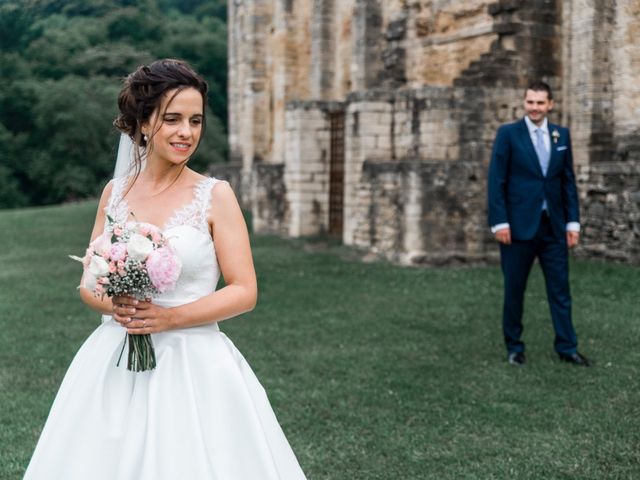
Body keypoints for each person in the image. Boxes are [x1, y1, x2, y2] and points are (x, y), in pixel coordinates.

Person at [24, 59, 307, 479]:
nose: (186, 132)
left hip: (195, 364)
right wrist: (113, 305)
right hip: (114, 357)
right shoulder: (114, 193)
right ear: (141, 123)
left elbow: (244, 290)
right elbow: (89, 283)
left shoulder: (216, 196)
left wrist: (169, 318)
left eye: (195, 120)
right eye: (172, 119)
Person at [487, 81, 590, 367]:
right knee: (514, 290)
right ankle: (514, 347)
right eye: (530, 102)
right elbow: (497, 181)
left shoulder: (561, 135)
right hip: (517, 229)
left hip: (554, 228)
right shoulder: (508, 134)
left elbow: (567, 181)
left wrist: (573, 223)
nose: (535, 108)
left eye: (540, 103)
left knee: (560, 290)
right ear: (524, 103)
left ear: (550, 104)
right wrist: (499, 222)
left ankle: (567, 347)